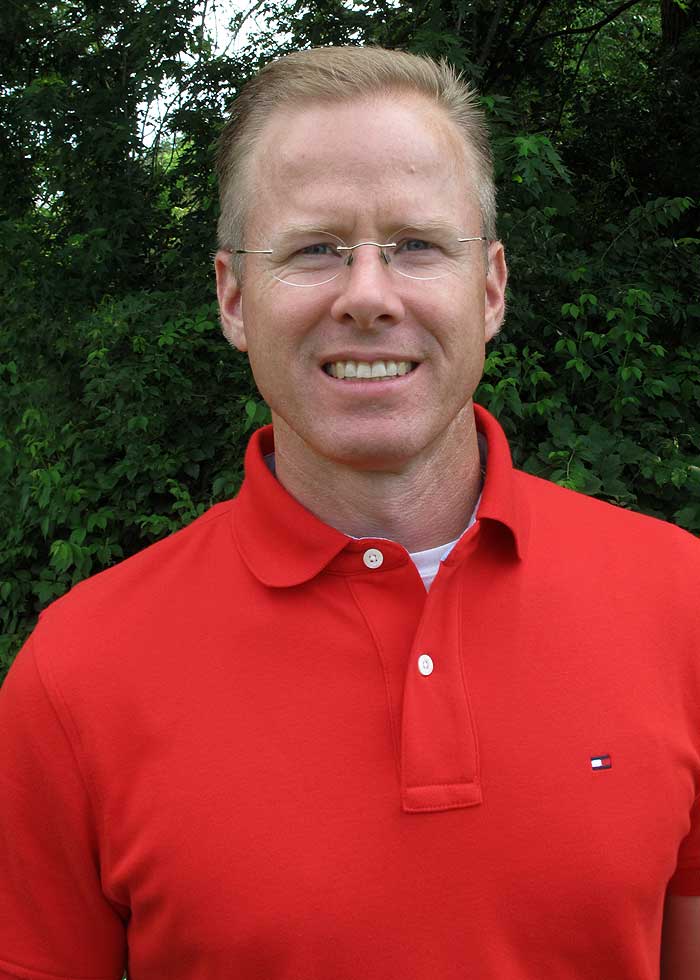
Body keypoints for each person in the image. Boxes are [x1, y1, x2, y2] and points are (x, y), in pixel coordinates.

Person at [1, 45, 699, 980]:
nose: (367, 295)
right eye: (314, 249)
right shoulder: (74, 675)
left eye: (415, 244)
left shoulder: (682, 605)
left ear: (490, 288)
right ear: (234, 298)